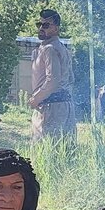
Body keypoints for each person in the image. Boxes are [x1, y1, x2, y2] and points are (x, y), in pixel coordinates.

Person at [29, 9, 75, 143]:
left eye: (46, 25)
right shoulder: (63, 49)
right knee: (64, 151)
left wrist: (35, 99)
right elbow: (71, 79)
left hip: (50, 108)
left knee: (44, 149)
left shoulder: (49, 49)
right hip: (64, 106)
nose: (41, 28)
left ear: (56, 29)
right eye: (40, 24)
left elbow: (52, 80)